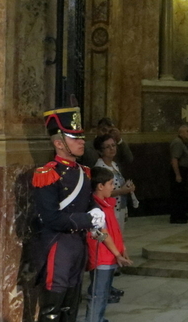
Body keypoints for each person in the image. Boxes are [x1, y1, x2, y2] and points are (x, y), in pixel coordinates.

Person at [31, 107, 105, 322]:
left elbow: (88, 203)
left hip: (77, 244)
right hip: (58, 244)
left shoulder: (84, 172)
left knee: (71, 308)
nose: (81, 142)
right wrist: (87, 219)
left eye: (81, 137)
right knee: (53, 309)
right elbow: (51, 218)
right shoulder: (48, 174)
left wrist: (96, 212)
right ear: (59, 143)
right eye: (75, 138)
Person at [85, 167, 133, 322]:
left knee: (104, 293)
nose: (113, 187)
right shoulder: (95, 208)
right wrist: (117, 254)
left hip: (110, 255)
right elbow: (103, 234)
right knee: (98, 294)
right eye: (111, 184)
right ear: (100, 186)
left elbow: (115, 230)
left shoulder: (107, 204)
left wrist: (122, 248)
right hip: (102, 256)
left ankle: (99, 318)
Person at [94, 134, 135, 232]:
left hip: (120, 207)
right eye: (107, 147)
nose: (112, 149)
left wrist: (127, 187)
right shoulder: (100, 168)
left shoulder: (114, 164)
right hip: (110, 210)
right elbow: (100, 193)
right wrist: (122, 191)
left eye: (113, 145)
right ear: (100, 151)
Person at [169, 125, 188, 224]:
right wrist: (178, 175)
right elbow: (174, 159)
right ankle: (176, 216)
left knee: (182, 194)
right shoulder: (177, 143)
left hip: (183, 170)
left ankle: (182, 214)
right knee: (177, 194)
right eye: (187, 131)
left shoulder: (182, 143)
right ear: (180, 133)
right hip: (179, 171)